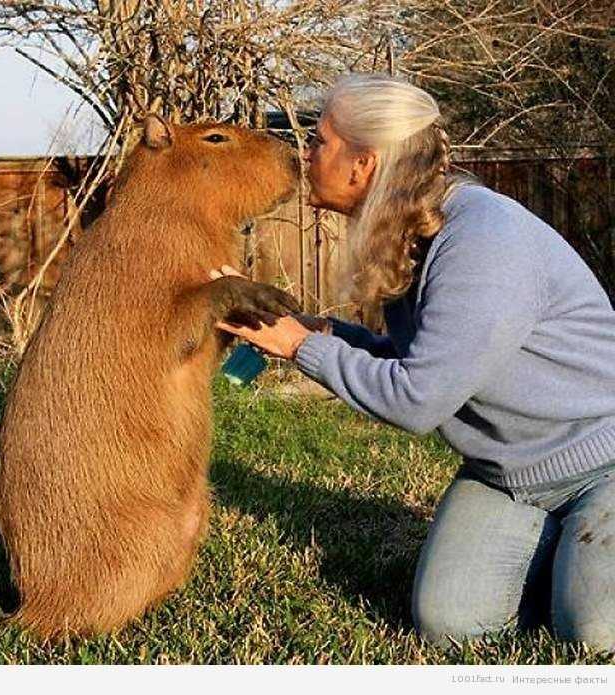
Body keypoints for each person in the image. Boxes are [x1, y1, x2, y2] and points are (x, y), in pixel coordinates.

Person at [211, 73, 615, 652]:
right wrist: (320, 332)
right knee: (451, 626)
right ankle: (563, 552)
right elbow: (418, 361)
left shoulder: (481, 241)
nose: (307, 153)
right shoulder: (414, 235)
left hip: (603, 462)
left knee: (597, 636)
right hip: (507, 475)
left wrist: (300, 345)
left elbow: (417, 398)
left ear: (363, 164)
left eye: (320, 141)